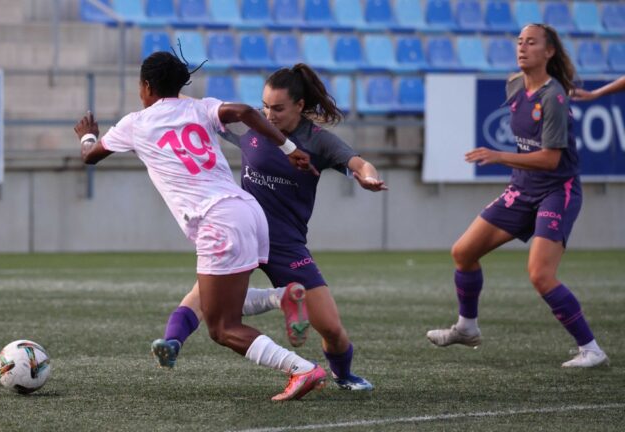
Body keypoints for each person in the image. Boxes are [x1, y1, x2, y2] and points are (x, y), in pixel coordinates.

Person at [74, 51, 328, 401]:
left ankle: (301, 369)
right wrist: (287, 147)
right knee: (215, 304)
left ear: (146, 86)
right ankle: (280, 296)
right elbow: (243, 112)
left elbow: (90, 156)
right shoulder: (199, 107)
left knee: (222, 328)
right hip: (247, 210)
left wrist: (87, 136)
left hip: (216, 220)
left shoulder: (135, 123)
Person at [151, 63, 387, 391]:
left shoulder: (316, 141)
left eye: (278, 108)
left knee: (331, 330)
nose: (269, 115)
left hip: (286, 245)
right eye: (264, 107)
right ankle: (171, 342)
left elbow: (358, 163)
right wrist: (165, 89)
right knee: (202, 299)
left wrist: (368, 176)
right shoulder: (253, 128)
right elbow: (197, 108)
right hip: (243, 234)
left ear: (300, 106)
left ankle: (343, 375)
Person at [426, 24, 609, 368]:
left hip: (557, 190)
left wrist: (498, 155)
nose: (522, 48)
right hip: (523, 188)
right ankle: (467, 328)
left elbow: (551, 159)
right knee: (464, 252)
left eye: (531, 42)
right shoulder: (514, 85)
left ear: (549, 51)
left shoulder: (552, 98)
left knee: (540, 274)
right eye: (519, 42)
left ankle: (592, 349)